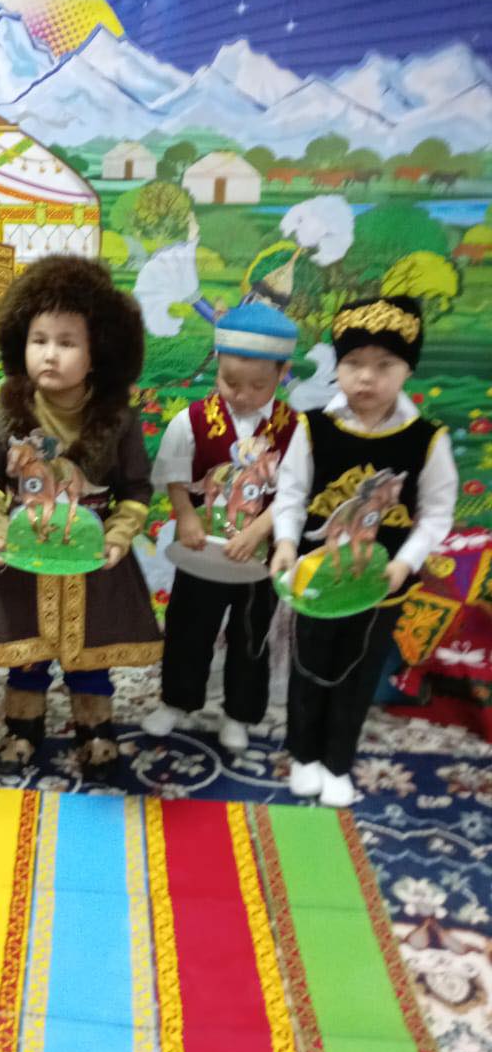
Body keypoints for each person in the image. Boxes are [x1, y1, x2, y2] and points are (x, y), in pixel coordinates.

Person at [0, 255, 162, 783]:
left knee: (90, 655)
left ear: (99, 351)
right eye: (39, 340)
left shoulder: (119, 419)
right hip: (24, 555)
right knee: (26, 654)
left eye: (67, 342)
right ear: (20, 341)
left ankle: (95, 731)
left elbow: (136, 490)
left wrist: (119, 535)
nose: (50, 354)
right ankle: (22, 729)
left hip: (93, 560)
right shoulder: (7, 411)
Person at [271, 295, 457, 807]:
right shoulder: (312, 428)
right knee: (309, 663)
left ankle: (337, 761)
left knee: (358, 669)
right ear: (338, 366)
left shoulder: (427, 439)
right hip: (316, 575)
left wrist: (404, 562)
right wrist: (285, 542)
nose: (367, 377)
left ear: (407, 370)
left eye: (384, 365)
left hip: (381, 586)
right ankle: (303, 754)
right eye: (353, 363)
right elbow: (291, 494)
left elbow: (436, 513)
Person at [143, 303, 300, 751]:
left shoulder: (293, 428)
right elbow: (175, 478)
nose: (243, 395)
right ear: (216, 365)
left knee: (251, 633)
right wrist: (186, 514)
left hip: (258, 556)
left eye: (258, 386)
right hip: (202, 551)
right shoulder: (192, 420)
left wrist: (259, 530)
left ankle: (239, 714)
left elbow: (294, 491)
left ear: (282, 373)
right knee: (188, 626)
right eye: (231, 382)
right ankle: (177, 700)